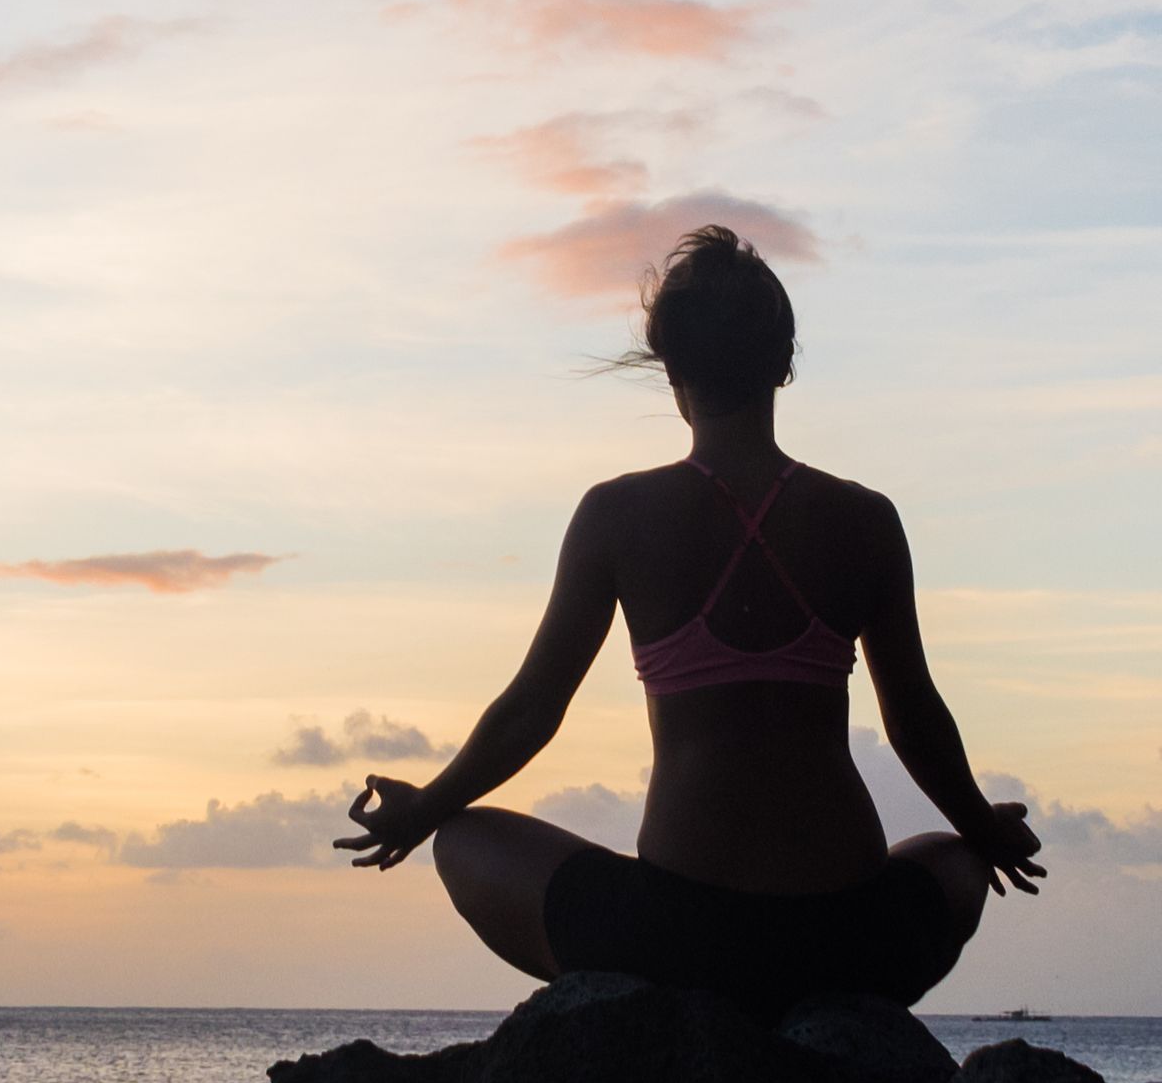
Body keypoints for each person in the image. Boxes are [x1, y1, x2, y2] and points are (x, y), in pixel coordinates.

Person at [337, 224, 1040, 1011]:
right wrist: (984, 829)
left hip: (676, 939)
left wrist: (423, 811)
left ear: (672, 371)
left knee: (467, 839)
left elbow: (531, 711)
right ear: (783, 362)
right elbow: (914, 719)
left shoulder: (615, 514)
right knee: (952, 858)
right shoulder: (865, 519)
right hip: (848, 940)